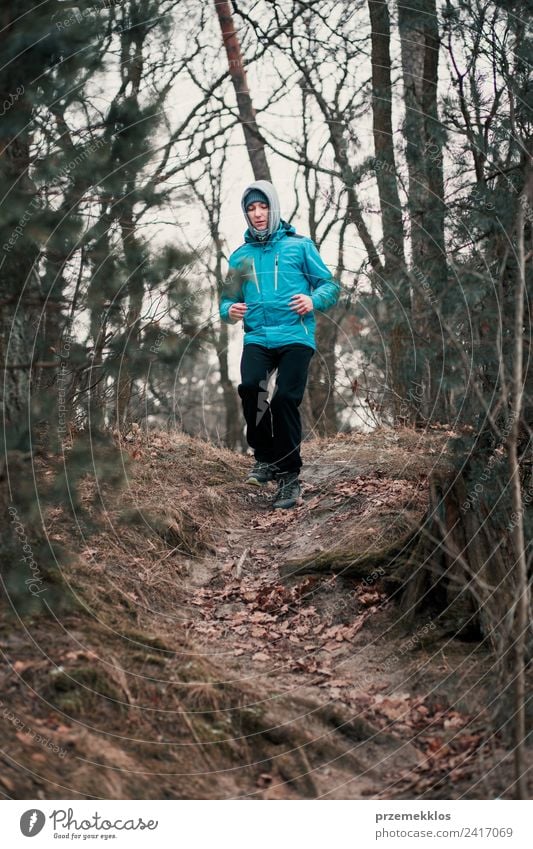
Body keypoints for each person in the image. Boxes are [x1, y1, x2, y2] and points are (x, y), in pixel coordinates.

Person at [219, 180, 340, 509]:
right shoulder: (240, 256)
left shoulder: (299, 246)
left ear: (273, 208)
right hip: (258, 336)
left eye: (262, 207)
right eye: (251, 209)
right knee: (251, 389)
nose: (257, 214)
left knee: (285, 397)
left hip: (295, 335)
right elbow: (225, 301)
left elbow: (330, 286)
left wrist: (312, 300)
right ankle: (265, 458)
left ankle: (289, 476)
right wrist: (230, 310)